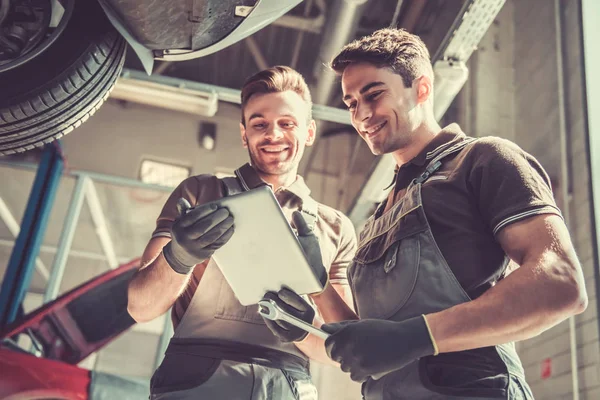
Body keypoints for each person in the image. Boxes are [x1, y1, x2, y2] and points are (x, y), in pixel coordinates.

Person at [313, 28, 588, 399]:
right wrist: (315, 291)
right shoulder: (377, 218)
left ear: (422, 88)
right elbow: (372, 342)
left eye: (374, 95)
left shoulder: (483, 160)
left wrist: (418, 336)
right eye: (350, 104)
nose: (361, 115)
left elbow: (560, 282)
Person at [126, 65, 357, 399]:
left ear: (309, 132)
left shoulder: (335, 227)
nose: (273, 134)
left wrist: (302, 331)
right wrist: (178, 257)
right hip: (196, 381)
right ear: (244, 133)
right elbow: (140, 308)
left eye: (287, 123)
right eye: (259, 123)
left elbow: (337, 350)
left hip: (288, 387)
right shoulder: (200, 194)